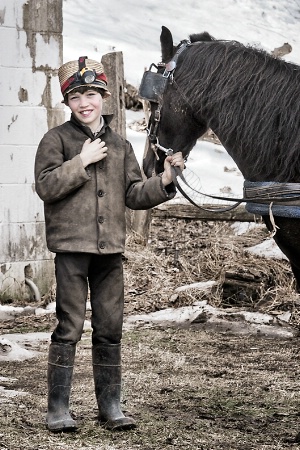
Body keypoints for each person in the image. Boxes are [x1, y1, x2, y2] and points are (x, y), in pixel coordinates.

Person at [34, 56, 184, 433]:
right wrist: (80, 161)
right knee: (69, 326)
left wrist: (164, 180)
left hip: (109, 253)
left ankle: (111, 406)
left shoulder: (119, 145)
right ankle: (58, 409)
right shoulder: (56, 140)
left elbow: (133, 193)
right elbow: (46, 187)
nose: (85, 103)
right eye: (76, 97)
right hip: (71, 250)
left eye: (91, 94)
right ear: (67, 103)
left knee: (110, 327)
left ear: (103, 96)